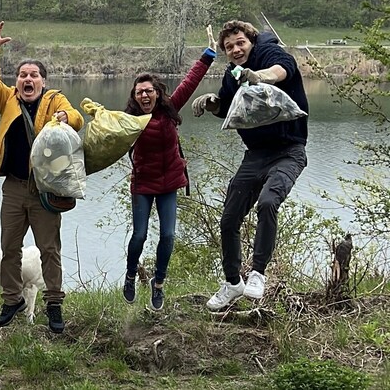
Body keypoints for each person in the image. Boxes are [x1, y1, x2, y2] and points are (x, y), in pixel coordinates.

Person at [191, 20, 308, 311]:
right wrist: (211, 103)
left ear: (251, 41)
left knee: (268, 202)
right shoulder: (233, 75)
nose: (235, 49)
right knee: (229, 218)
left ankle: (257, 274)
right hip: (255, 155)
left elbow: (283, 70)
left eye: (240, 42)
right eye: (229, 47)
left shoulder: (269, 53)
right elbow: (227, 105)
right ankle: (233, 283)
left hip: (289, 151)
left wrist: (260, 76)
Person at [0, 19, 84, 333]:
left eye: (33, 75)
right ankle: (11, 299)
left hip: (45, 190)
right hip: (13, 187)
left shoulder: (55, 100)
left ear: (42, 81)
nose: (28, 79)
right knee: (9, 248)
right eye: (23, 75)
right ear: (17, 81)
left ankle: (54, 303)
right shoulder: (7, 99)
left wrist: (66, 117)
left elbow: (77, 118)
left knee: (49, 250)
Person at [121, 27, 217, 311]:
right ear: (135, 97)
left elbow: (190, 81)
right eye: (140, 93)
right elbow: (105, 139)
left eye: (149, 91)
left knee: (168, 236)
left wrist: (209, 54)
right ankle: (129, 275)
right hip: (143, 184)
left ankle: (158, 283)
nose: (145, 95)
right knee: (139, 235)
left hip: (169, 184)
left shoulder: (170, 109)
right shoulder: (129, 120)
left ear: (157, 92)